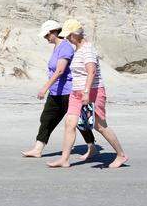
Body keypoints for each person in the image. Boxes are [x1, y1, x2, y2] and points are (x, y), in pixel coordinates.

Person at [47, 19, 129, 169]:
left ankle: (121, 154)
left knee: (100, 126)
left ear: (75, 35)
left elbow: (91, 72)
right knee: (69, 124)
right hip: (76, 92)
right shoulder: (77, 50)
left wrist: (86, 93)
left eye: (68, 36)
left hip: (92, 91)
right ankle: (64, 159)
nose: (66, 39)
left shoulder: (87, 49)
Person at [22, 19, 97, 159]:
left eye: (46, 35)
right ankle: (38, 149)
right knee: (46, 118)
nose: (45, 38)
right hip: (56, 91)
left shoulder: (65, 47)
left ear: (54, 32)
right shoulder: (57, 47)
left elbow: (60, 70)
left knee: (79, 121)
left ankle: (91, 146)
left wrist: (44, 88)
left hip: (68, 91)